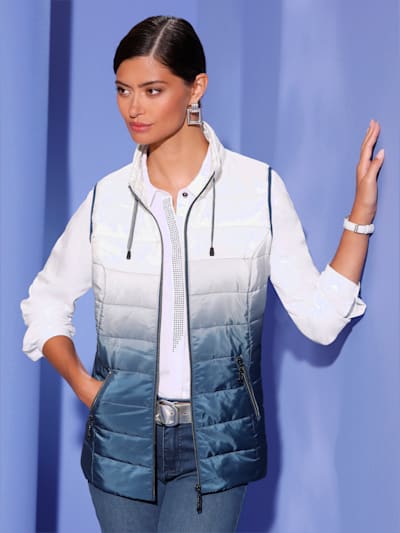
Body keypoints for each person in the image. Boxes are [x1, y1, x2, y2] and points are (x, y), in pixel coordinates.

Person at [21, 15, 384, 533]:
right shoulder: (108, 199)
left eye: (152, 90)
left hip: (216, 444)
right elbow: (45, 300)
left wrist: (361, 213)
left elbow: (321, 320)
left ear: (196, 88)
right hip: (120, 444)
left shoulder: (257, 190)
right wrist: (85, 386)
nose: (133, 108)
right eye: (123, 90)